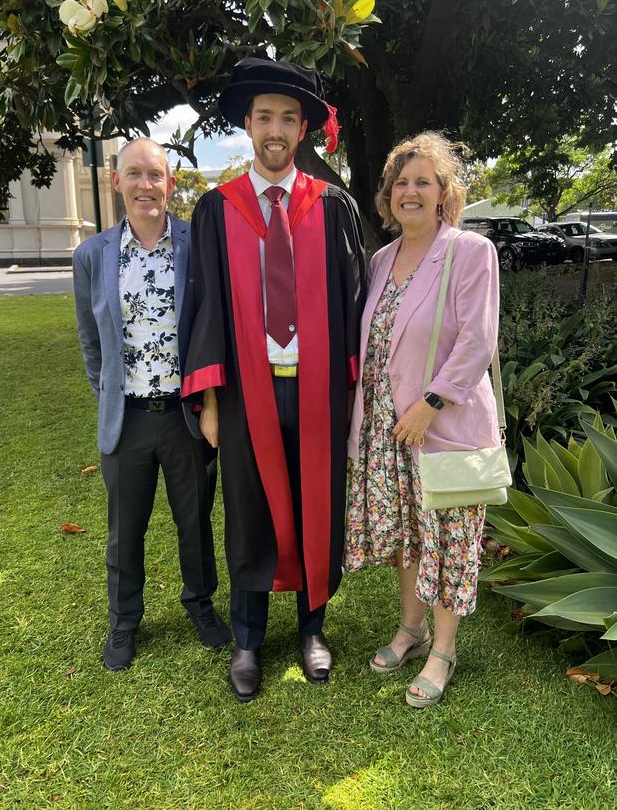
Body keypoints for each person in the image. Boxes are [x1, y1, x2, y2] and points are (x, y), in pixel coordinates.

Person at [182, 58, 365, 701]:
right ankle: (249, 639)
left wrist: (354, 393)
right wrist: (207, 399)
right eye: (265, 117)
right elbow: (202, 310)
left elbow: (353, 304)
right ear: (247, 125)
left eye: (290, 117)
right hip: (244, 393)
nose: (277, 129)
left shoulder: (333, 207)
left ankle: (313, 629)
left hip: (318, 390)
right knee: (250, 511)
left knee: (319, 506)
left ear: (305, 128)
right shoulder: (216, 209)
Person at [345, 131, 500, 708]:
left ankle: (443, 650)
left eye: (423, 182)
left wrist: (430, 403)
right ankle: (410, 629)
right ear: (388, 195)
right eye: (400, 182)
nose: (410, 192)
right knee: (408, 535)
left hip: (440, 426)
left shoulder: (468, 252)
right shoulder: (381, 260)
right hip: (386, 429)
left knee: (446, 541)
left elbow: (478, 339)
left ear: (443, 193)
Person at [73, 137, 230, 671]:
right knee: (126, 528)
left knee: (196, 521)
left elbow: (213, 327)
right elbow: (91, 341)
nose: (146, 185)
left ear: (170, 182)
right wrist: (109, 393)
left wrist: (210, 402)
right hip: (127, 420)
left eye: (156, 175)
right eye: (134, 174)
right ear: (117, 182)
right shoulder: (91, 255)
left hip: (185, 415)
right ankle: (123, 622)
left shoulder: (196, 242)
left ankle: (201, 604)